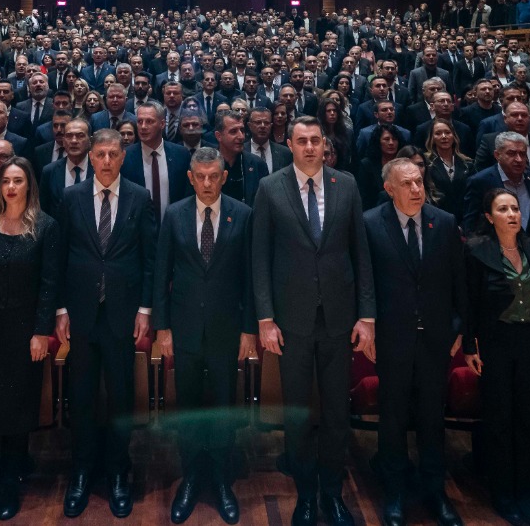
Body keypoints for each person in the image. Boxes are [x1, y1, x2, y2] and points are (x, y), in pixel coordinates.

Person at [251, 117, 375, 526]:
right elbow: (260, 258)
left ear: (325, 145)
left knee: (337, 413)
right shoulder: (270, 187)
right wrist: (265, 318)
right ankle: (305, 494)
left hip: (339, 319)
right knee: (298, 414)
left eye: (315, 140)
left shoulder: (347, 185)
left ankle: (333, 494)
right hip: (292, 322)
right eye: (301, 140)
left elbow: (361, 254)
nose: (309, 147)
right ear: (289, 144)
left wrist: (367, 316)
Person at [55, 128, 156, 519]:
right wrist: (61, 309)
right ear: (91, 157)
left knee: (120, 395)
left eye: (114, 154)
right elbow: (61, 253)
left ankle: (117, 471)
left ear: (123, 156)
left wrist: (144, 309)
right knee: (81, 396)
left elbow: (149, 259)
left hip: (122, 313)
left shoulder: (139, 197)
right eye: (101, 154)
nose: (107, 161)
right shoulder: (71, 197)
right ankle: (81, 470)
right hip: (81, 312)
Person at [152, 147, 255, 525]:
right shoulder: (174, 214)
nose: (208, 183)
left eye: (214, 176)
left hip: (228, 328)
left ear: (224, 177)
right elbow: (161, 273)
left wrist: (249, 329)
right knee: (190, 404)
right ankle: (192, 476)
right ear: (190, 178)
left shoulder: (242, 214)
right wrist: (163, 327)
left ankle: (223, 479)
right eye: (201, 177)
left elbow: (250, 278)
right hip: (184, 328)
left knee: (225, 403)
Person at [363, 157, 466, 526]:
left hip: (436, 339)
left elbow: (458, 281)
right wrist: (368, 328)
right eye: (406, 184)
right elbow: (366, 284)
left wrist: (457, 328)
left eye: (419, 182)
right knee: (392, 418)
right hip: (392, 338)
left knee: (432, 418)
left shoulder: (445, 222)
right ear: (389, 189)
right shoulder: (370, 223)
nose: (416, 189)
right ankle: (394, 491)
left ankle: (435, 491)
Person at [0, 156, 63, 521]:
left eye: (18, 180)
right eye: (6, 181)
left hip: (25, 331)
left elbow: (49, 284)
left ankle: (11, 480)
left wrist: (41, 331)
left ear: (29, 185)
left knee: (18, 405)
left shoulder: (46, 227)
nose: (11, 187)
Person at [464, 186, 530, 526]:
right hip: (494, 343)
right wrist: (470, 346)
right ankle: (502, 491)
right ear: (489, 217)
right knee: (499, 419)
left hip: (529, 341)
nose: (512, 214)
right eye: (503, 209)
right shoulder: (476, 251)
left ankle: (527, 488)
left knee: (526, 419)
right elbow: (468, 303)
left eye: (515, 208)